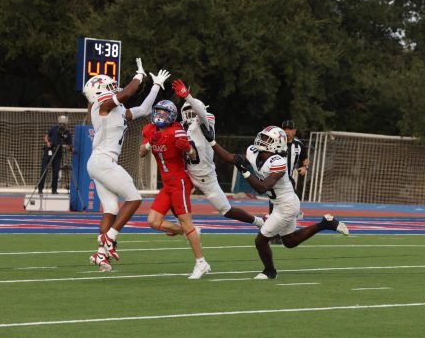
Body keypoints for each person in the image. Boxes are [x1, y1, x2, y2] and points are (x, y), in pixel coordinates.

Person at [201, 124, 349, 280]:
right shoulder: (253, 152)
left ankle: (270, 271)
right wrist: (212, 141)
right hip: (279, 203)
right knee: (290, 241)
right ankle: (325, 223)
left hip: (287, 204)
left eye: (266, 138)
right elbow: (231, 158)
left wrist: (244, 171)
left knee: (261, 240)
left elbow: (262, 188)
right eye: (263, 136)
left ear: (276, 143)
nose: (262, 139)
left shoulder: (278, 162)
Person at [84, 58, 170, 272]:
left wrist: (156, 85)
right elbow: (128, 93)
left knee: (112, 208)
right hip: (102, 161)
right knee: (134, 197)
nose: (115, 89)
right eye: (111, 87)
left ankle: (100, 255)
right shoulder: (101, 106)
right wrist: (138, 76)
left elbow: (144, 108)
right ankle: (110, 239)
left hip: (99, 162)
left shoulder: (117, 110)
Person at [170, 79, 265, 228]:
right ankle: (184, 226)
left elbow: (201, 114)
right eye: (187, 111)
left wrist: (187, 97)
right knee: (174, 197)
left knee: (225, 210)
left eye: (192, 110)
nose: (190, 114)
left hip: (206, 175)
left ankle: (258, 222)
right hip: (188, 173)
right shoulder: (181, 127)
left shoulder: (205, 120)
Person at [139, 99, 211, 279]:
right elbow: (141, 152)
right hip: (167, 185)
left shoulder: (177, 130)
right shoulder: (150, 130)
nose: (159, 116)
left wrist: (188, 149)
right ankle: (187, 231)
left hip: (179, 182)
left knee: (187, 223)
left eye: (164, 113)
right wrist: (149, 144)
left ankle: (201, 263)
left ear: (171, 116)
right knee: (153, 221)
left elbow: (193, 154)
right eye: (158, 112)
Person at [37, 115, 73, 195]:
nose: (62, 125)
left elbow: (70, 146)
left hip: (58, 153)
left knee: (56, 172)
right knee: (44, 170)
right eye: (61, 123)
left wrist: (67, 146)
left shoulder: (68, 133)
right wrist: (48, 143)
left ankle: (54, 189)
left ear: (66, 124)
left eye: (64, 124)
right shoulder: (54, 128)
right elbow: (46, 136)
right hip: (49, 151)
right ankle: (40, 189)